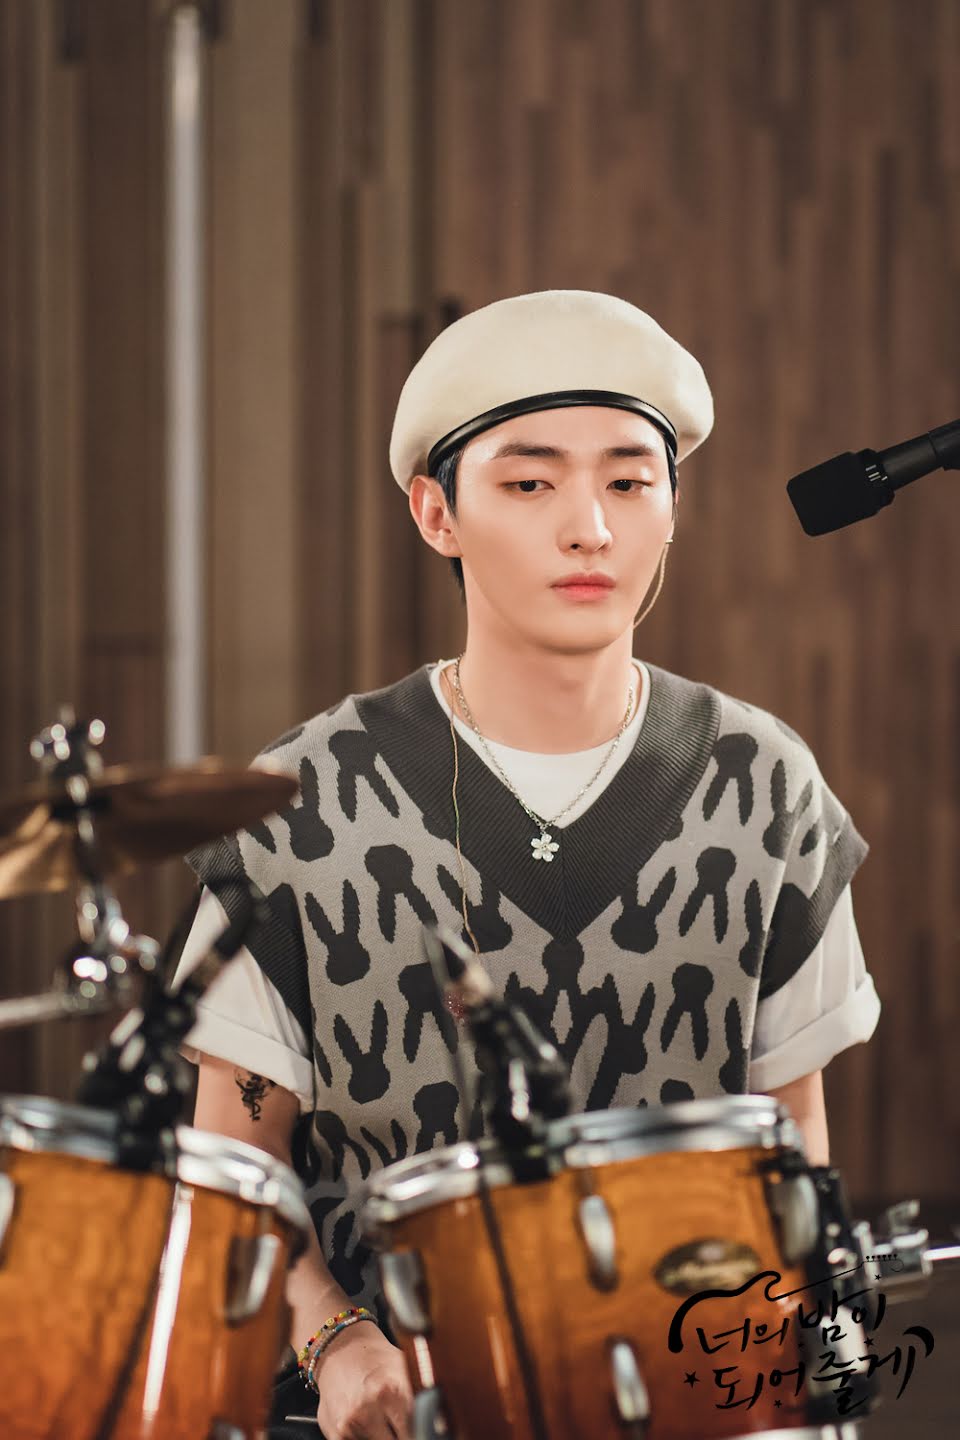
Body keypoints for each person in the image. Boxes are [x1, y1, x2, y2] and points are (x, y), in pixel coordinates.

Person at [172, 290, 880, 1440]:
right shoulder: (296, 805)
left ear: (672, 509)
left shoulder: (767, 787)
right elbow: (228, 1157)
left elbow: (788, 1142)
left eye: (630, 482)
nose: (590, 528)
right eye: (531, 484)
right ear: (437, 513)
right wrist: (334, 1339)